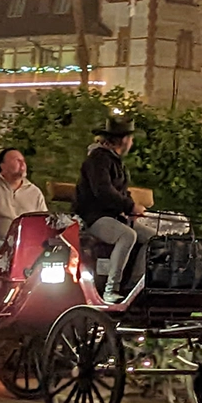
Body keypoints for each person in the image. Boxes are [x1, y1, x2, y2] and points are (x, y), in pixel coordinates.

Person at [74, 116, 153, 304]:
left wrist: (130, 209)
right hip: (94, 217)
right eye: (131, 138)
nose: (131, 142)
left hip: (114, 216)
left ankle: (134, 284)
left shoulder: (115, 161)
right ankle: (111, 289)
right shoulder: (98, 159)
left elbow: (121, 191)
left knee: (152, 239)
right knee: (127, 235)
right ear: (124, 140)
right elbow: (103, 191)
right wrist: (130, 206)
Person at [0, 148, 48, 250]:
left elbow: (44, 220)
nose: (22, 164)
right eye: (17, 160)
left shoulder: (34, 192)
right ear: (2, 166)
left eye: (23, 161)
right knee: (7, 252)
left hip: (27, 243)